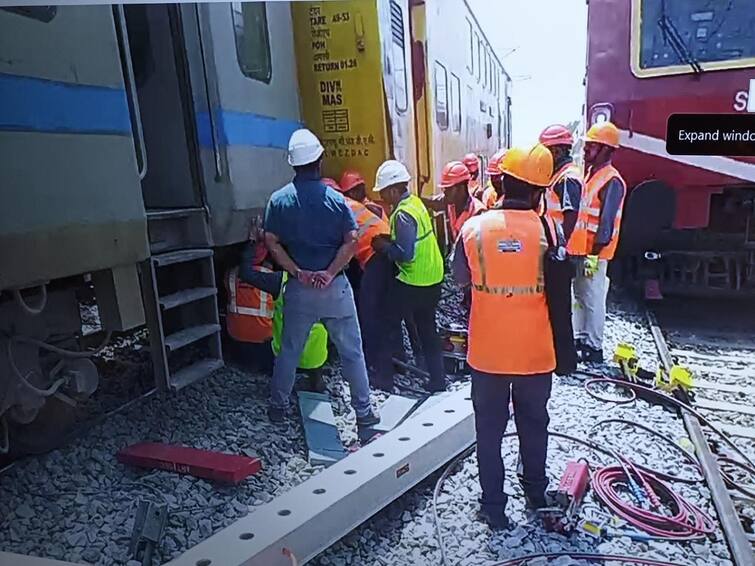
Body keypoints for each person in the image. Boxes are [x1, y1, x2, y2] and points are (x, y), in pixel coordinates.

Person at [451, 144, 559, 530]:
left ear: (499, 183)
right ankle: (535, 492)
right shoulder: (549, 230)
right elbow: (563, 283)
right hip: (535, 354)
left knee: (489, 432)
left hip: (488, 354)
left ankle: (493, 507)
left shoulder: (472, 229)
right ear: (537, 192)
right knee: (534, 425)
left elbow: (460, 278)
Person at [263, 128, 379, 426]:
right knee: (352, 353)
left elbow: (271, 241)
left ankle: (277, 409)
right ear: (319, 161)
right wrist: (328, 273)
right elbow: (352, 240)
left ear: (292, 163)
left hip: (300, 290)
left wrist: (297, 271)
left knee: (289, 352)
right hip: (335, 288)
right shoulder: (336, 200)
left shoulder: (278, 200)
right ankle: (364, 414)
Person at [370, 160, 447, 393]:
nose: (383, 197)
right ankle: (437, 380)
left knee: (386, 324)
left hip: (413, 282)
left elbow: (404, 254)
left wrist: (382, 246)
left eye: (383, 192)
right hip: (432, 277)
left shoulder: (403, 214)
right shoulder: (415, 203)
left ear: (394, 189)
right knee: (427, 329)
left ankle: (384, 379)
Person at [238, 236, 329, 393]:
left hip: (286, 356)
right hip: (316, 357)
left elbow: (245, 274)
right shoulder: (330, 280)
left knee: (267, 348)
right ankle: (316, 381)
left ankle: (280, 391)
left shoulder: (281, 280)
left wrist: (252, 243)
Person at [571, 121, 626, 363]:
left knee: (593, 299)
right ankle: (582, 338)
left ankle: (594, 347)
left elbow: (606, 223)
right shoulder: (592, 174)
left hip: (596, 252)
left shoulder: (612, 180)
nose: (586, 150)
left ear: (606, 149)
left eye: (592, 146)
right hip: (585, 251)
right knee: (582, 296)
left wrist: (594, 253)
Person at [339, 184, 393, 374]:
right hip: (383, 252)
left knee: (369, 312)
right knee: (382, 311)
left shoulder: (335, 208)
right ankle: (393, 361)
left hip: (376, 255)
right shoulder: (349, 204)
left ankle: (375, 366)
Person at [538, 125, 583, 246]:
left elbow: (570, 215)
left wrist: (560, 247)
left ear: (556, 152)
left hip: (569, 250)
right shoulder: (558, 175)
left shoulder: (567, 177)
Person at [423, 161, 485, 243]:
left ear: (461, 188)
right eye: (444, 188)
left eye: (448, 188)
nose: (445, 192)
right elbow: (433, 203)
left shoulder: (478, 212)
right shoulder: (449, 203)